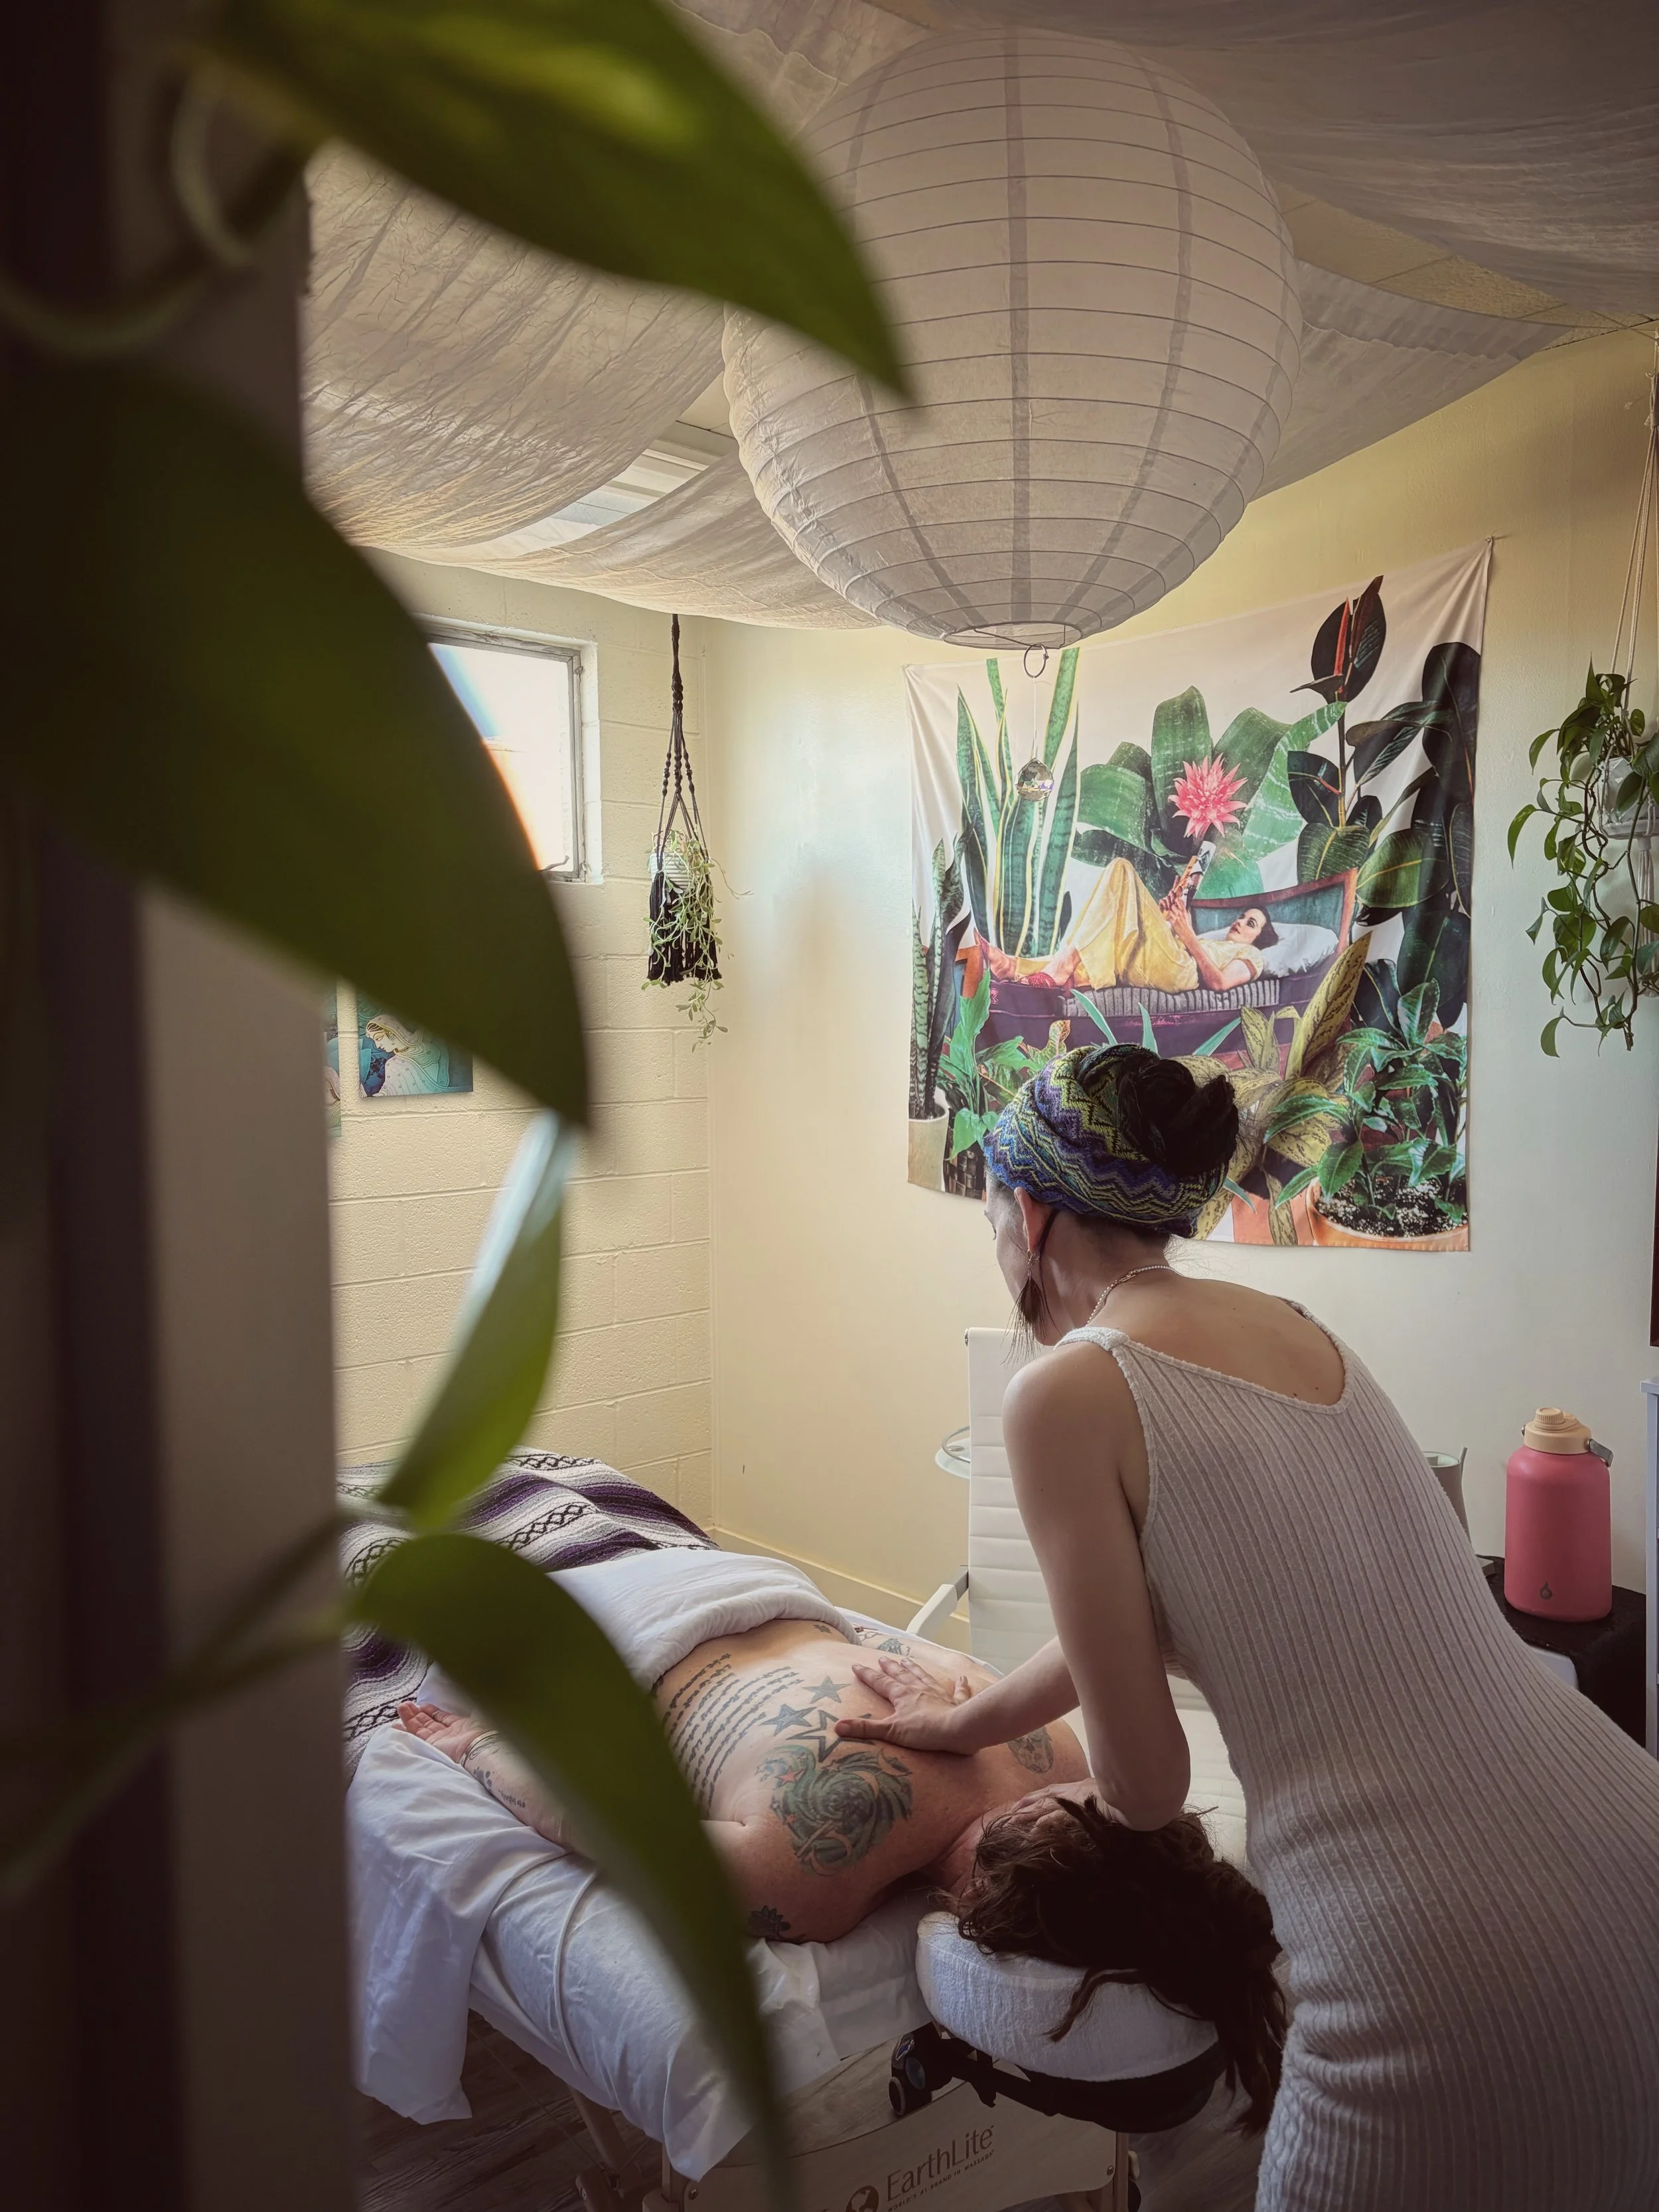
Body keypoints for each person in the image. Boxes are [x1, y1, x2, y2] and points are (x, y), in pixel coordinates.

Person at [836, 1042, 1659, 2212]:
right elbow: (1163, 1612)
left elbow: (1149, 1785)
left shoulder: (1063, 1392)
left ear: (1032, 1213)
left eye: (991, 1218)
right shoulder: (1293, 1324)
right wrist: (963, 1720)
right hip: (1623, 1824)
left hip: (1431, 1937)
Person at [398, 1563, 1284, 2122]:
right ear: (974, 1912)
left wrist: (478, 1745)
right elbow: (597, 1821)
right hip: (616, 1629)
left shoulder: (1058, 1752)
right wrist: (477, 1745)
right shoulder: (807, 1882)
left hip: (746, 1584)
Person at [985, 857, 1277, 993]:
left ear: (1259, 937)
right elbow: (1174, 947)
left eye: (1250, 923)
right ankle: (1012, 967)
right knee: (1111, 931)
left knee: (1121, 868)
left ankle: (1062, 967)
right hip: (1164, 960)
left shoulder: (1253, 956)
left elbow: (1220, 983)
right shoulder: (1214, 942)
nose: (1240, 922)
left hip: (1182, 973)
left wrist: (1188, 935)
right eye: (1242, 916)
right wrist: (1164, 921)